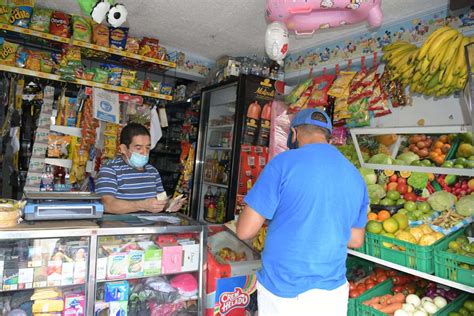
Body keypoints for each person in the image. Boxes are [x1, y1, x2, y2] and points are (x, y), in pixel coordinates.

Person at [236, 108, 368, 316]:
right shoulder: (355, 175)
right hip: (332, 293)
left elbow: (245, 231)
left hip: (284, 291)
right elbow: (356, 239)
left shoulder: (283, 163)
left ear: (294, 134)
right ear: (329, 137)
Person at [96, 123, 182, 214]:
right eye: (138, 148)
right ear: (123, 149)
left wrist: (169, 205)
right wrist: (142, 205)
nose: (144, 152)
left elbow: (160, 201)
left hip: (149, 227)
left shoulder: (153, 171)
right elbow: (106, 205)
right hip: (122, 227)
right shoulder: (110, 170)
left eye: (147, 148)